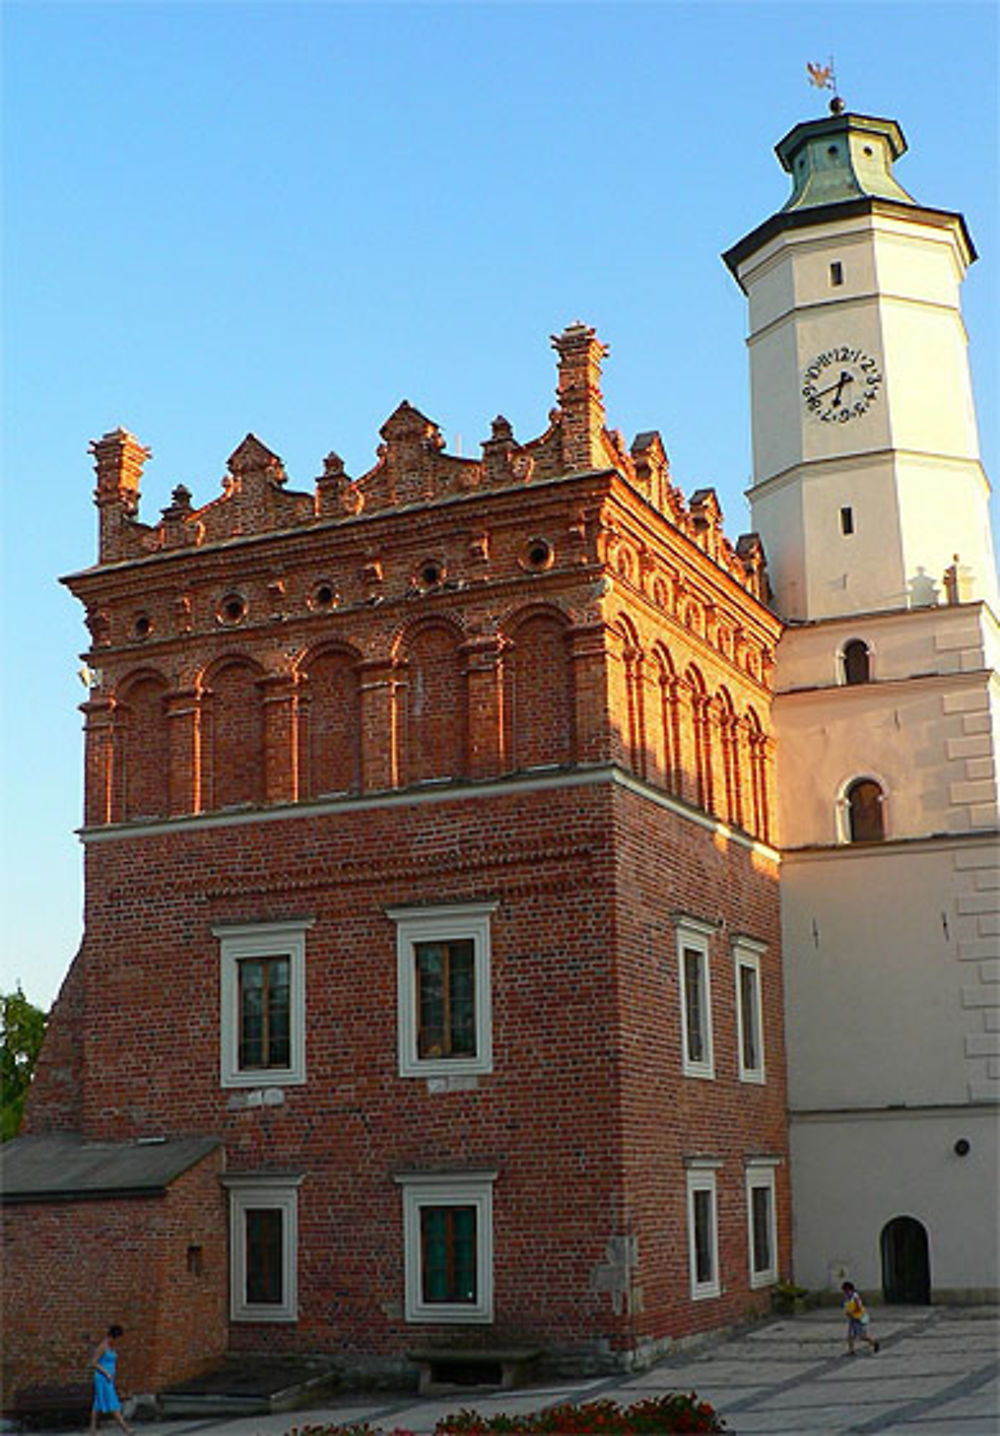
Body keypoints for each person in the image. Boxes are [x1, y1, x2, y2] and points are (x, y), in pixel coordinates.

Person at [89, 1325, 133, 1435]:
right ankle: (125, 1428)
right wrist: (105, 1372)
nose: (119, 1341)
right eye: (118, 1338)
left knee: (98, 1403)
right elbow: (94, 1362)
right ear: (113, 1336)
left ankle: (92, 1429)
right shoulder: (103, 1346)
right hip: (102, 1378)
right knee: (113, 1402)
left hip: (109, 1378)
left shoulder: (112, 1347)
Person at [841, 1281, 880, 1356]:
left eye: (845, 1290)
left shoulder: (855, 1297)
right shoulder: (848, 1297)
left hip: (858, 1318)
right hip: (852, 1318)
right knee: (850, 1335)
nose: (844, 1292)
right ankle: (851, 1351)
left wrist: (851, 1312)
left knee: (862, 1336)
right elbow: (847, 1306)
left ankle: (874, 1343)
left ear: (849, 1289)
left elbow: (859, 1307)